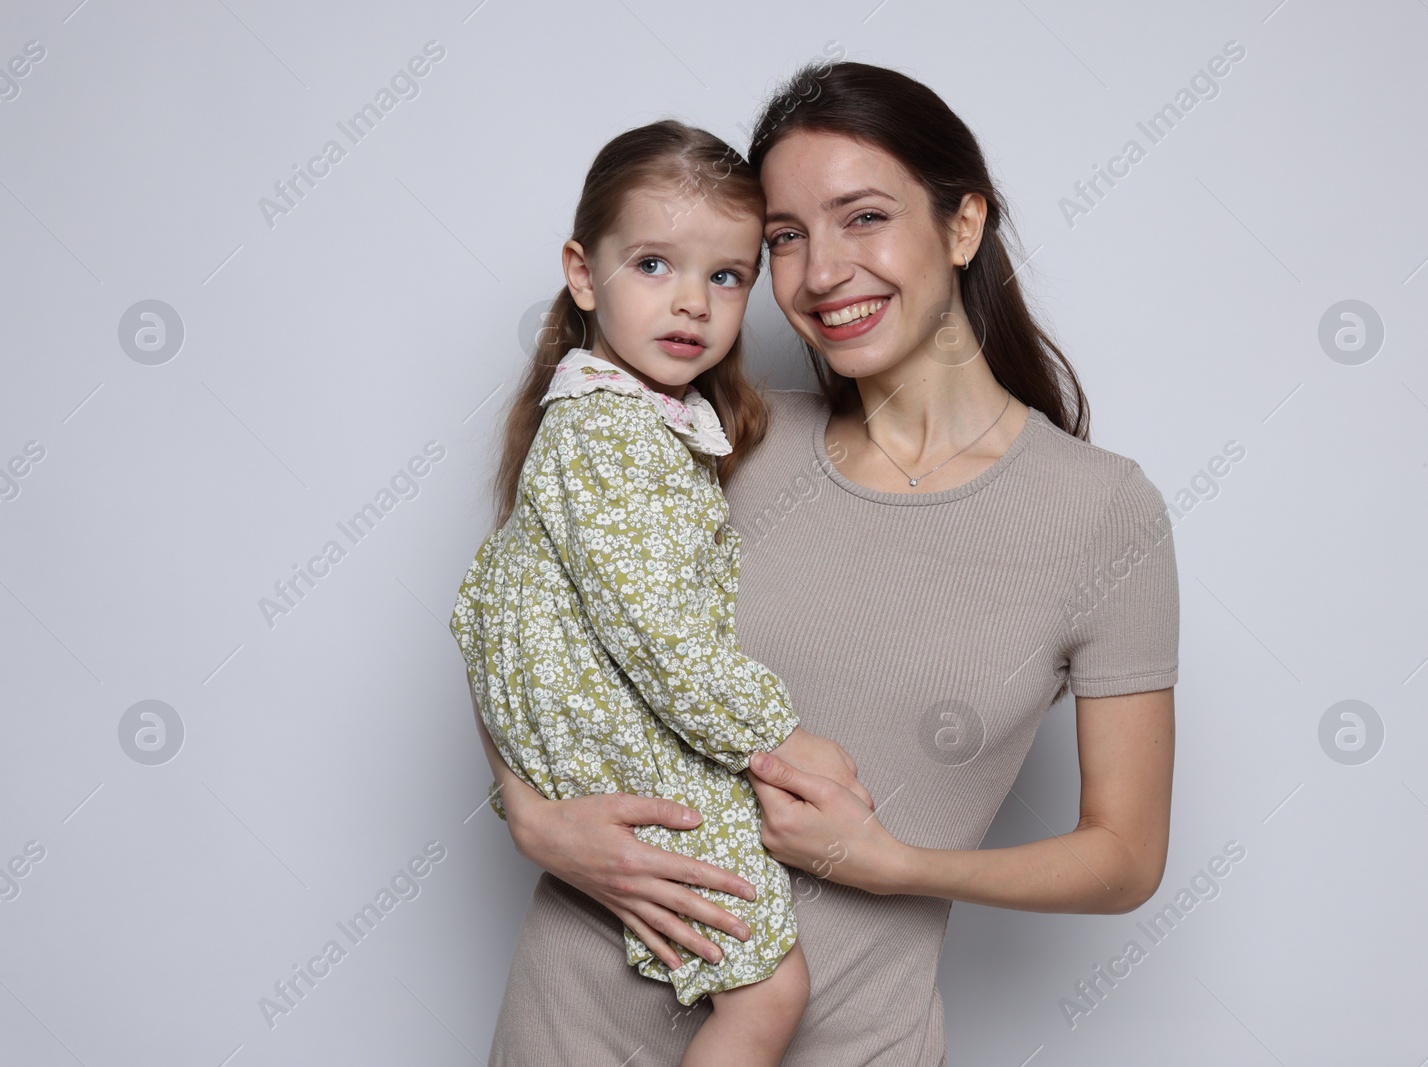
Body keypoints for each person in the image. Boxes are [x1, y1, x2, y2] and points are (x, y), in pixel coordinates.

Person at [471, 62, 1179, 1066]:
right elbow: (516, 606)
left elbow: (1124, 856)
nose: (819, 274)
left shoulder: (1104, 514)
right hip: (572, 1024)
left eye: (862, 217)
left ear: (963, 223)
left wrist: (896, 863)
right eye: (786, 239)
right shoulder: (719, 438)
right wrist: (533, 817)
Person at [449, 118, 873, 1067]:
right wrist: (775, 736)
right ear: (583, 272)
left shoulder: (635, 420)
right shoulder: (615, 434)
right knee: (773, 989)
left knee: (753, 981)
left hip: (591, 741)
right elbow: (663, 639)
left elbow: (486, 605)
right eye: (653, 265)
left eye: (725, 277)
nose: (691, 303)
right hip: (628, 748)